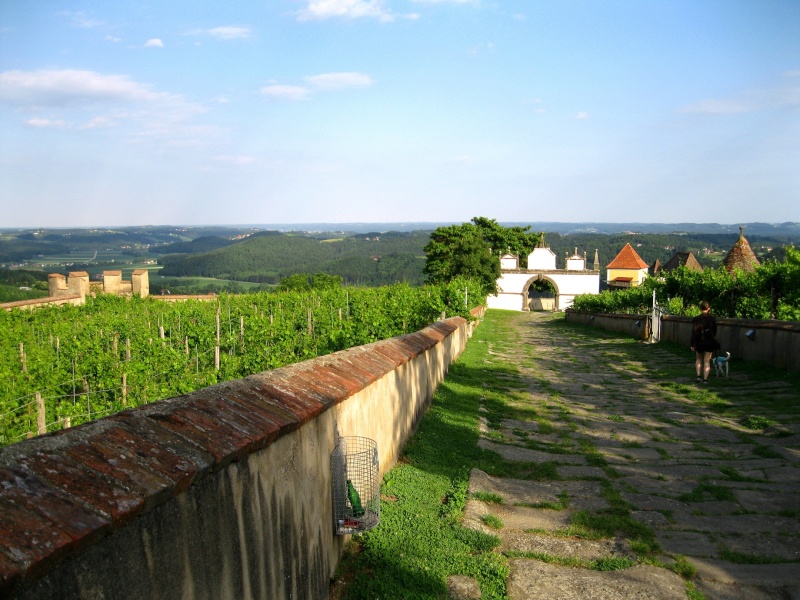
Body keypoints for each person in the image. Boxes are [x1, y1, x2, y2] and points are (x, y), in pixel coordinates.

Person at [690, 300, 717, 384]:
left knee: (698, 359)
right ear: (708, 308)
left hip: (699, 341)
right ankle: (705, 379)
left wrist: (692, 343)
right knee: (707, 361)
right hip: (709, 341)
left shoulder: (696, 319)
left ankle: (698, 376)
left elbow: (694, 332)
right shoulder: (712, 319)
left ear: (700, 308)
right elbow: (715, 330)